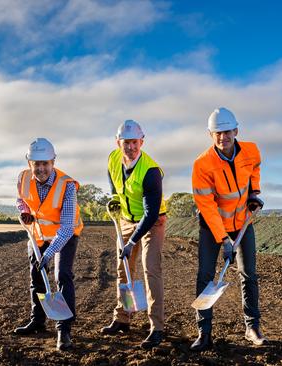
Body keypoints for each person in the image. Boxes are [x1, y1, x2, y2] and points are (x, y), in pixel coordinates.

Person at [190, 107, 266, 351]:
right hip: (213, 227)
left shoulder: (251, 150)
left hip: (243, 223)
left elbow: (254, 169)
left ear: (236, 130)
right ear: (210, 135)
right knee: (205, 276)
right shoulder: (202, 164)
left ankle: (252, 327)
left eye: (226, 132)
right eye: (217, 133)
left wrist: (254, 192)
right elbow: (207, 206)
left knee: (249, 274)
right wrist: (224, 240)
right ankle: (204, 332)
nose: (222, 137)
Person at [101, 119, 168, 349]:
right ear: (118, 142)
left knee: (151, 270)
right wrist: (113, 199)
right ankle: (123, 317)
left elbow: (150, 214)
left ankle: (156, 327)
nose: (130, 147)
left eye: (134, 142)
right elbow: (114, 186)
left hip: (152, 222)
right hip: (126, 219)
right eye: (125, 142)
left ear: (142, 141)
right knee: (123, 270)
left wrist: (131, 241)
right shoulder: (112, 158)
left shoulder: (150, 171)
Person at [13, 137, 84, 351]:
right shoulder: (23, 178)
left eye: (46, 163)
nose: (41, 168)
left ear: (53, 162)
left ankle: (64, 329)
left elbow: (66, 228)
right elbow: (21, 200)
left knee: (61, 275)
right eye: (37, 164)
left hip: (65, 235)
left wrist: (49, 254)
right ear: (29, 163)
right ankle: (38, 320)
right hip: (38, 235)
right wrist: (24, 211)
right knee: (37, 277)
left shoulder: (67, 186)